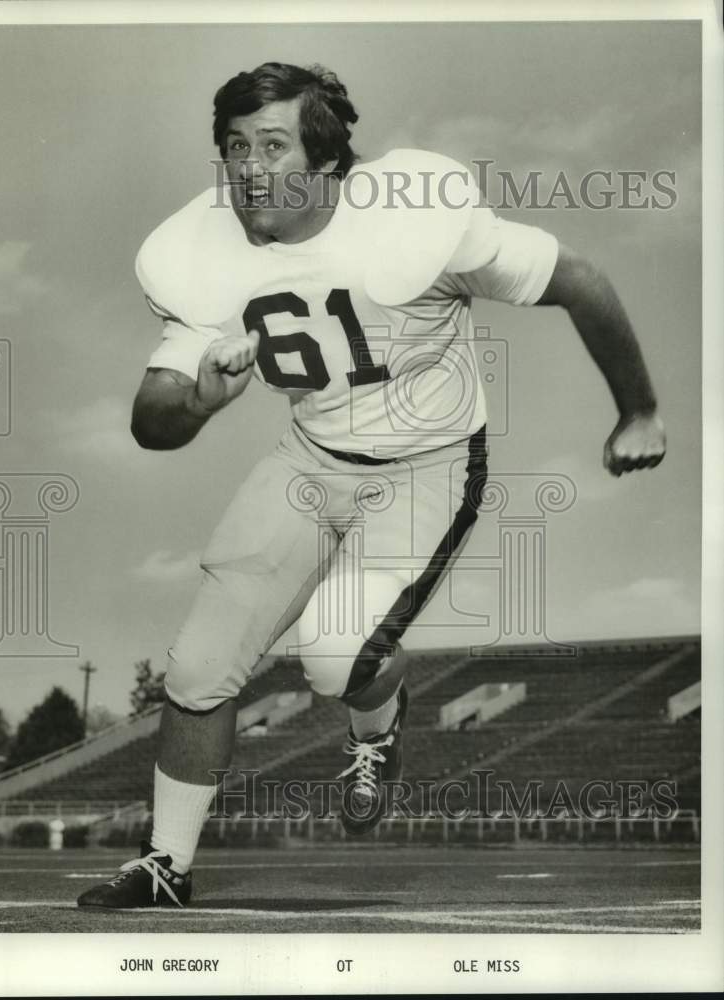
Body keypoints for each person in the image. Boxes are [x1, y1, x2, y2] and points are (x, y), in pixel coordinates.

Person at [77, 62, 666, 909]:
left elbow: (581, 281)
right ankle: (164, 863)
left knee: (331, 657)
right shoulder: (197, 252)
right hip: (309, 458)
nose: (248, 167)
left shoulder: (414, 224)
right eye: (235, 146)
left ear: (324, 161)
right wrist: (199, 402)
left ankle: (378, 724)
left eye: (272, 145)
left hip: (427, 464)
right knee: (199, 666)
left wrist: (637, 411)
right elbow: (152, 415)